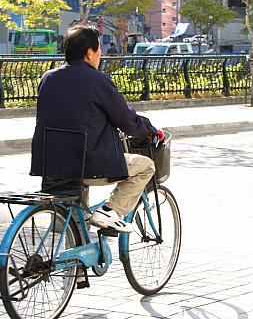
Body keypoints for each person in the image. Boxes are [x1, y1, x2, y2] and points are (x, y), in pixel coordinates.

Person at [30, 24, 163, 233]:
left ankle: (75, 261)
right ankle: (111, 211)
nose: (100, 54)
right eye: (98, 49)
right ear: (89, 52)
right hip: (88, 163)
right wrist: (149, 130)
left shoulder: (48, 78)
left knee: (74, 219)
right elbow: (127, 120)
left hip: (52, 164)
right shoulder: (98, 80)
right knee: (146, 166)